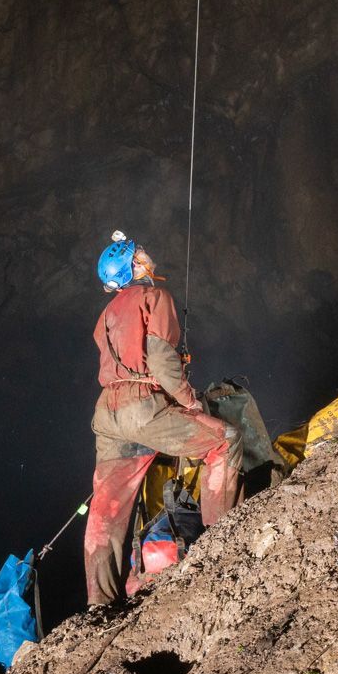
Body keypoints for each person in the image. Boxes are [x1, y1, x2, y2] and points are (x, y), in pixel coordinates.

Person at [84, 231, 240, 607]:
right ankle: (226, 544)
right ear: (133, 267)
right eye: (139, 253)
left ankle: (100, 602)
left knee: (108, 508)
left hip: (107, 413)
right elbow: (161, 360)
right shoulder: (154, 297)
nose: (147, 254)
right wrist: (191, 401)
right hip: (142, 405)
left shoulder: (106, 314)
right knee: (224, 440)